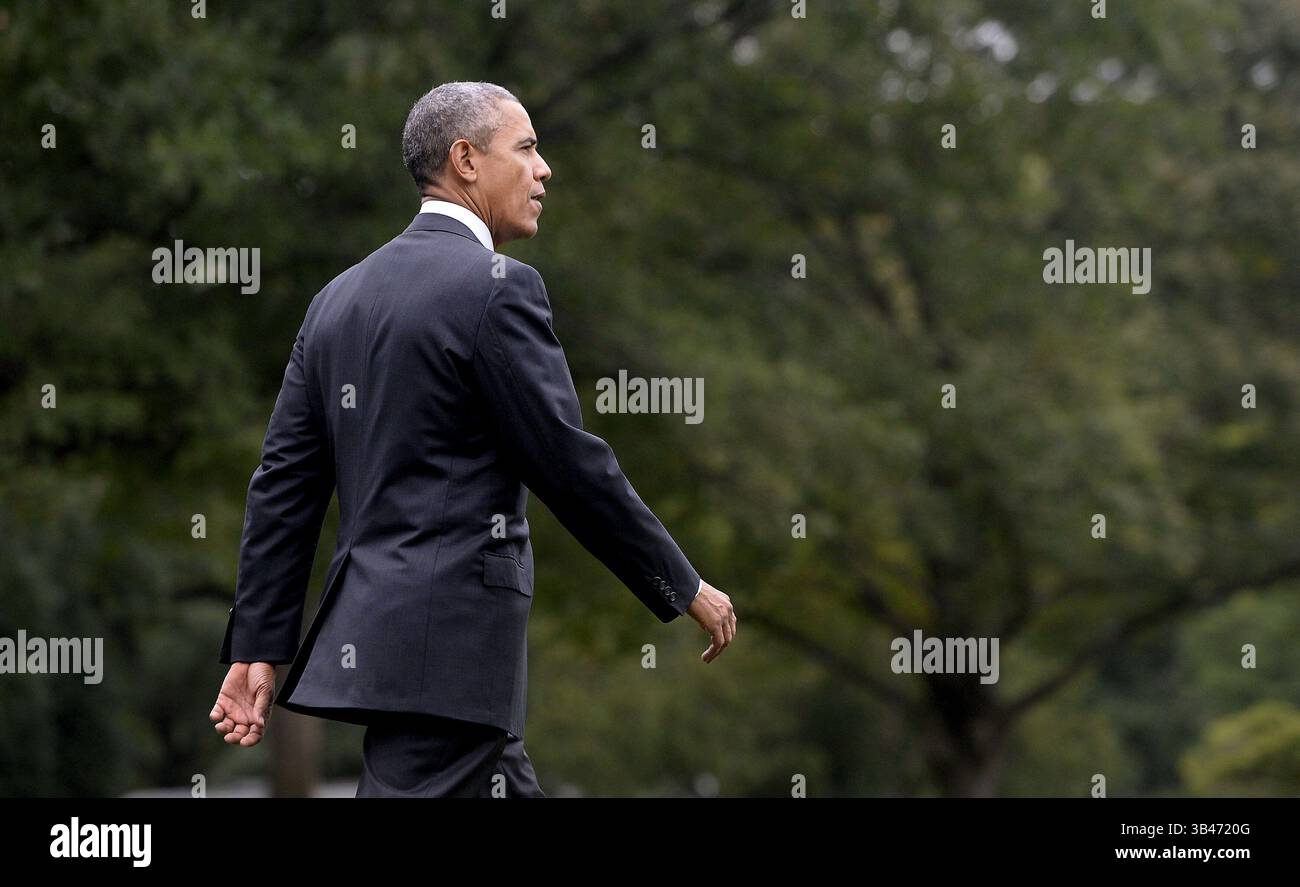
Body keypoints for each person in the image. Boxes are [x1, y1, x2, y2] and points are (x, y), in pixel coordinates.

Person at [208, 81, 736, 797]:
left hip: (408, 663)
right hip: (445, 659)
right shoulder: (497, 288)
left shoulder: (336, 301)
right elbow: (570, 466)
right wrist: (684, 584)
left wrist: (259, 645)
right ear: (465, 159)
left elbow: (283, 487)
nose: (543, 168)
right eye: (526, 147)